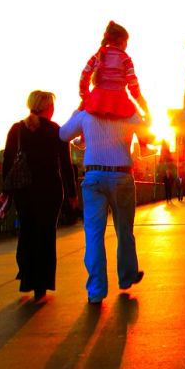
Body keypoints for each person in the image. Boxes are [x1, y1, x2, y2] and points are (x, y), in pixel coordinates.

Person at [59, 108, 145, 304]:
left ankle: (96, 291)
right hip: (122, 175)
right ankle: (127, 276)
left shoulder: (87, 113)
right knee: (124, 231)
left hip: (94, 176)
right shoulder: (127, 111)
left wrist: (77, 113)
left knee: (94, 235)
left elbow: (63, 134)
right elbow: (146, 133)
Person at [0, 90, 77, 302]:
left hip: (24, 190)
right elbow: (65, 164)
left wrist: (6, 191)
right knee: (46, 235)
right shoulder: (56, 130)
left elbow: (8, 160)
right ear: (47, 107)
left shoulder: (18, 129)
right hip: (50, 190)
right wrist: (72, 193)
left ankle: (27, 276)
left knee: (27, 232)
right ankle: (41, 284)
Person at [78, 20, 155, 157]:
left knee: (81, 112)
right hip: (119, 98)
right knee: (136, 119)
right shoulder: (125, 59)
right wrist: (145, 108)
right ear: (121, 41)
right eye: (126, 42)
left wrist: (85, 95)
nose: (127, 46)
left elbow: (84, 75)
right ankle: (144, 146)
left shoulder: (97, 56)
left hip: (97, 97)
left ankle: (82, 139)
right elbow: (133, 87)